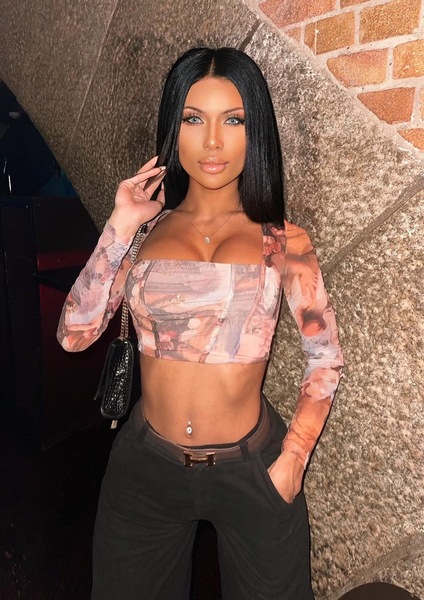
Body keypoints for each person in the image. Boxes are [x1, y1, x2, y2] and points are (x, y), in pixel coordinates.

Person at [57, 47, 343, 600]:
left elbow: (324, 357)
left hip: (252, 469)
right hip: (146, 466)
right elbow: (74, 334)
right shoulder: (145, 233)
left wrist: (293, 461)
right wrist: (119, 224)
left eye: (233, 120)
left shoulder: (282, 241)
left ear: (255, 133)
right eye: (194, 119)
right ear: (175, 128)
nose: (212, 142)